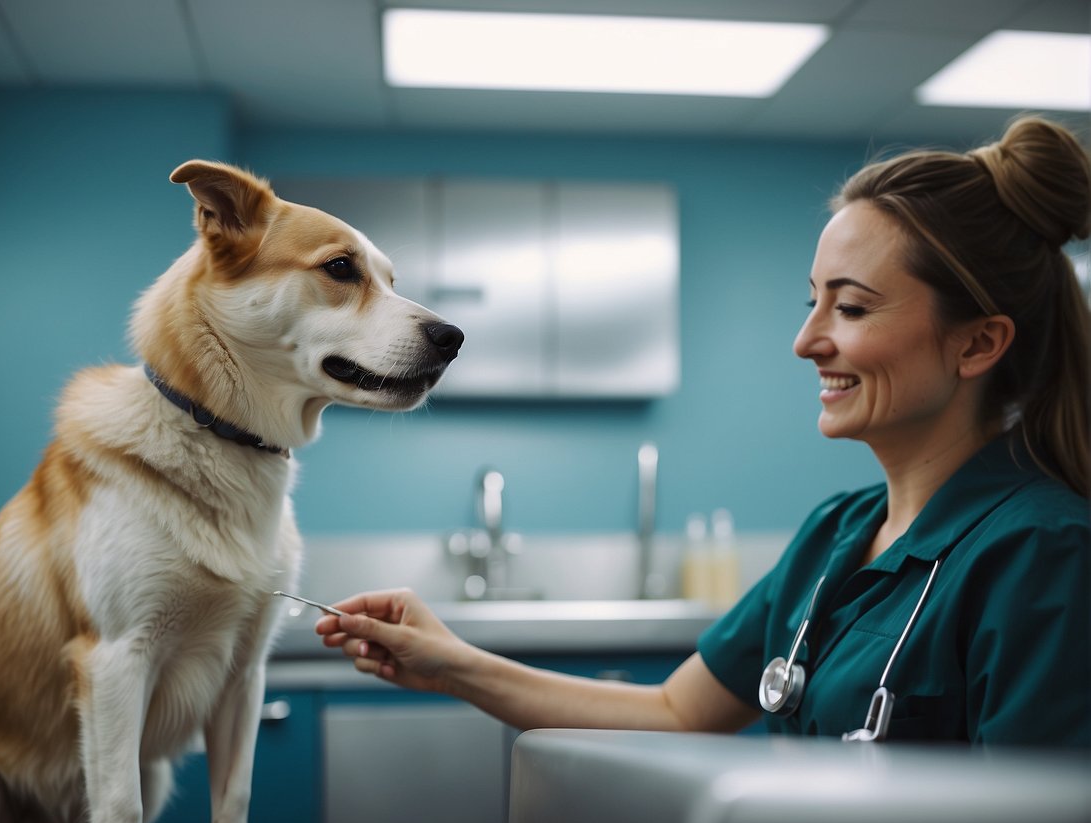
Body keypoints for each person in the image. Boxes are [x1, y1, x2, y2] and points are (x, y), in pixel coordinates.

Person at [316, 116, 1091, 746]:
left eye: (850, 308)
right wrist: (449, 665)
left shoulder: (1043, 554)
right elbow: (675, 714)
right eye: (810, 302)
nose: (807, 340)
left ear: (978, 343)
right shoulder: (837, 536)